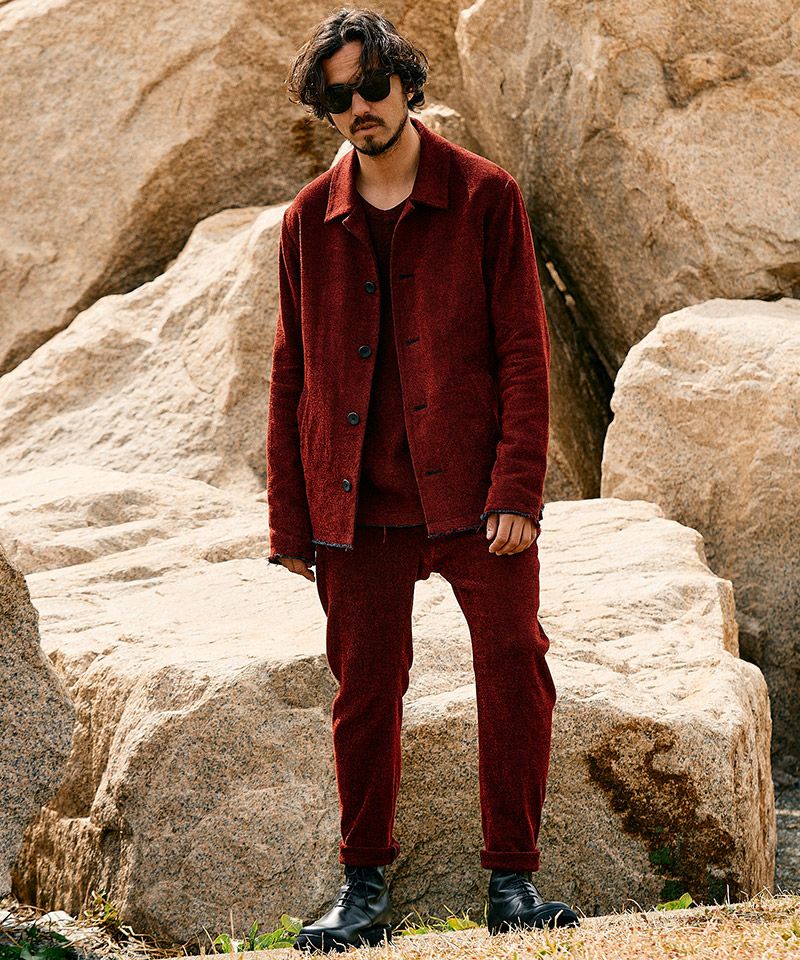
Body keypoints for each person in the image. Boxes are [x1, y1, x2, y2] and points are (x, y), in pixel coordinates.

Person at [266, 7, 580, 951]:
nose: (358, 107)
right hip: (356, 504)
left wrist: (517, 491)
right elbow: (290, 376)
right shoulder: (305, 222)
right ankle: (362, 891)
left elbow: (524, 353)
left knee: (514, 666)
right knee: (364, 691)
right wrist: (291, 520)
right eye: (338, 97)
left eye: (371, 85)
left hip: (475, 498)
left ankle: (513, 885)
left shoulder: (486, 197)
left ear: (406, 82)